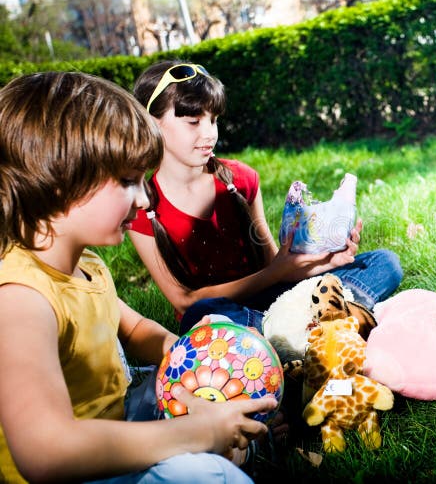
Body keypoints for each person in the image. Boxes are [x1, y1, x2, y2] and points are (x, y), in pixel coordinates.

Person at [0, 71, 275, 483]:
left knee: (220, 391)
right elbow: (46, 450)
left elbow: (133, 328)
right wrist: (191, 432)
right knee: (215, 477)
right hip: (78, 466)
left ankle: (232, 435)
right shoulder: (20, 298)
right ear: (60, 181)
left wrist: (183, 353)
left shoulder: (84, 262)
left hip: (121, 411)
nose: (145, 198)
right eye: (129, 181)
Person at [128, 60, 403, 335]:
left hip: (275, 298)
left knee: (384, 263)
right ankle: (323, 323)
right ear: (153, 124)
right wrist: (277, 273)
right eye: (193, 122)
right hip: (226, 314)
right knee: (199, 316)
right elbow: (184, 301)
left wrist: (325, 261)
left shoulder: (241, 179)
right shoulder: (143, 208)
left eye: (213, 120)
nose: (209, 133)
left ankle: (289, 334)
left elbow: (274, 266)